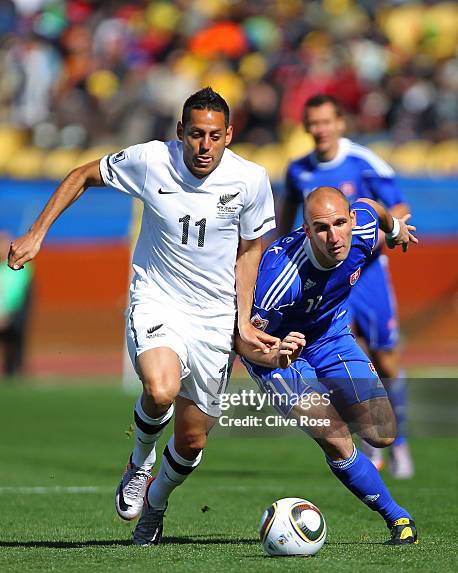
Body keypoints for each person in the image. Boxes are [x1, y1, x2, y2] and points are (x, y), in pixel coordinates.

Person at [8, 87, 277, 546]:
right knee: (161, 387)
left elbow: (250, 252)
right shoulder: (152, 160)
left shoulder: (250, 180)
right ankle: (138, 463)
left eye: (214, 135)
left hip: (214, 318)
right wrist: (37, 234)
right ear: (180, 132)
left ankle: (156, 504)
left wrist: (244, 320)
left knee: (193, 441)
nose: (204, 145)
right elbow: (82, 174)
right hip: (157, 299)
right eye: (195, 134)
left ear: (229, 135)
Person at [237, 186, 419, 545]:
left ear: (351, 221)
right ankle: (398, 518)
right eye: (321, 228)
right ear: (306, 231)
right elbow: (243, 341)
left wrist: (394, 228)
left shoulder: (364, 229)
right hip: (277, 351)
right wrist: (276, 353)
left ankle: (335, 403)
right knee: (334, 437)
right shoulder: (279, 278)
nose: (334, 236)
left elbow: (369, 206)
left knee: (382, 434)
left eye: (340, 223)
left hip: (329, 335)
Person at [278, 94, 414, 478]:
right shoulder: (297, 171)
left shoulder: (364, 162)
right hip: (324, 280)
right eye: (313, 123)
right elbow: (285, 223)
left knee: (386, 357)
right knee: (341, 351)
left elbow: (397, 209)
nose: (319, 130)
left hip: (367, 276)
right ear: (306, 127)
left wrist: (382, 236)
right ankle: (371, 442)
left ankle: (398, 441)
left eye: (326, 122)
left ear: (340, 123)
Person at [0, 231, 33, 377]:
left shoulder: (17, 267)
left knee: (14, 345)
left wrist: (7, 315)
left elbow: (18, 294)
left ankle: (14, 370)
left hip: (12, 316)